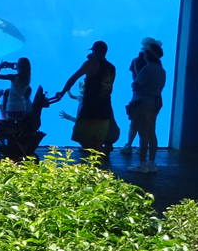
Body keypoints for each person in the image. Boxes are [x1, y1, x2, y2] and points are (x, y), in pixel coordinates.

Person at [52, 40, 118, 158]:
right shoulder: (112, 68)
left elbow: (73, 78)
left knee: (83, 138)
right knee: (97, 138)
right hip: (105, 107)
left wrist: (62, 92)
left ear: (94, 51)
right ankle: (101, 158)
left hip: (90, 108)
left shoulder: (90, 64)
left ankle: (99, 157)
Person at [126, 38, 167, 172]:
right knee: (152, 132)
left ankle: (142, 164)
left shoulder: (147, 69)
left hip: (143, 102)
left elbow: (136, 84)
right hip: (155, 101)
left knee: (143, 133)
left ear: (148, 55)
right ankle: (152, 162)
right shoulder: (162, 70)